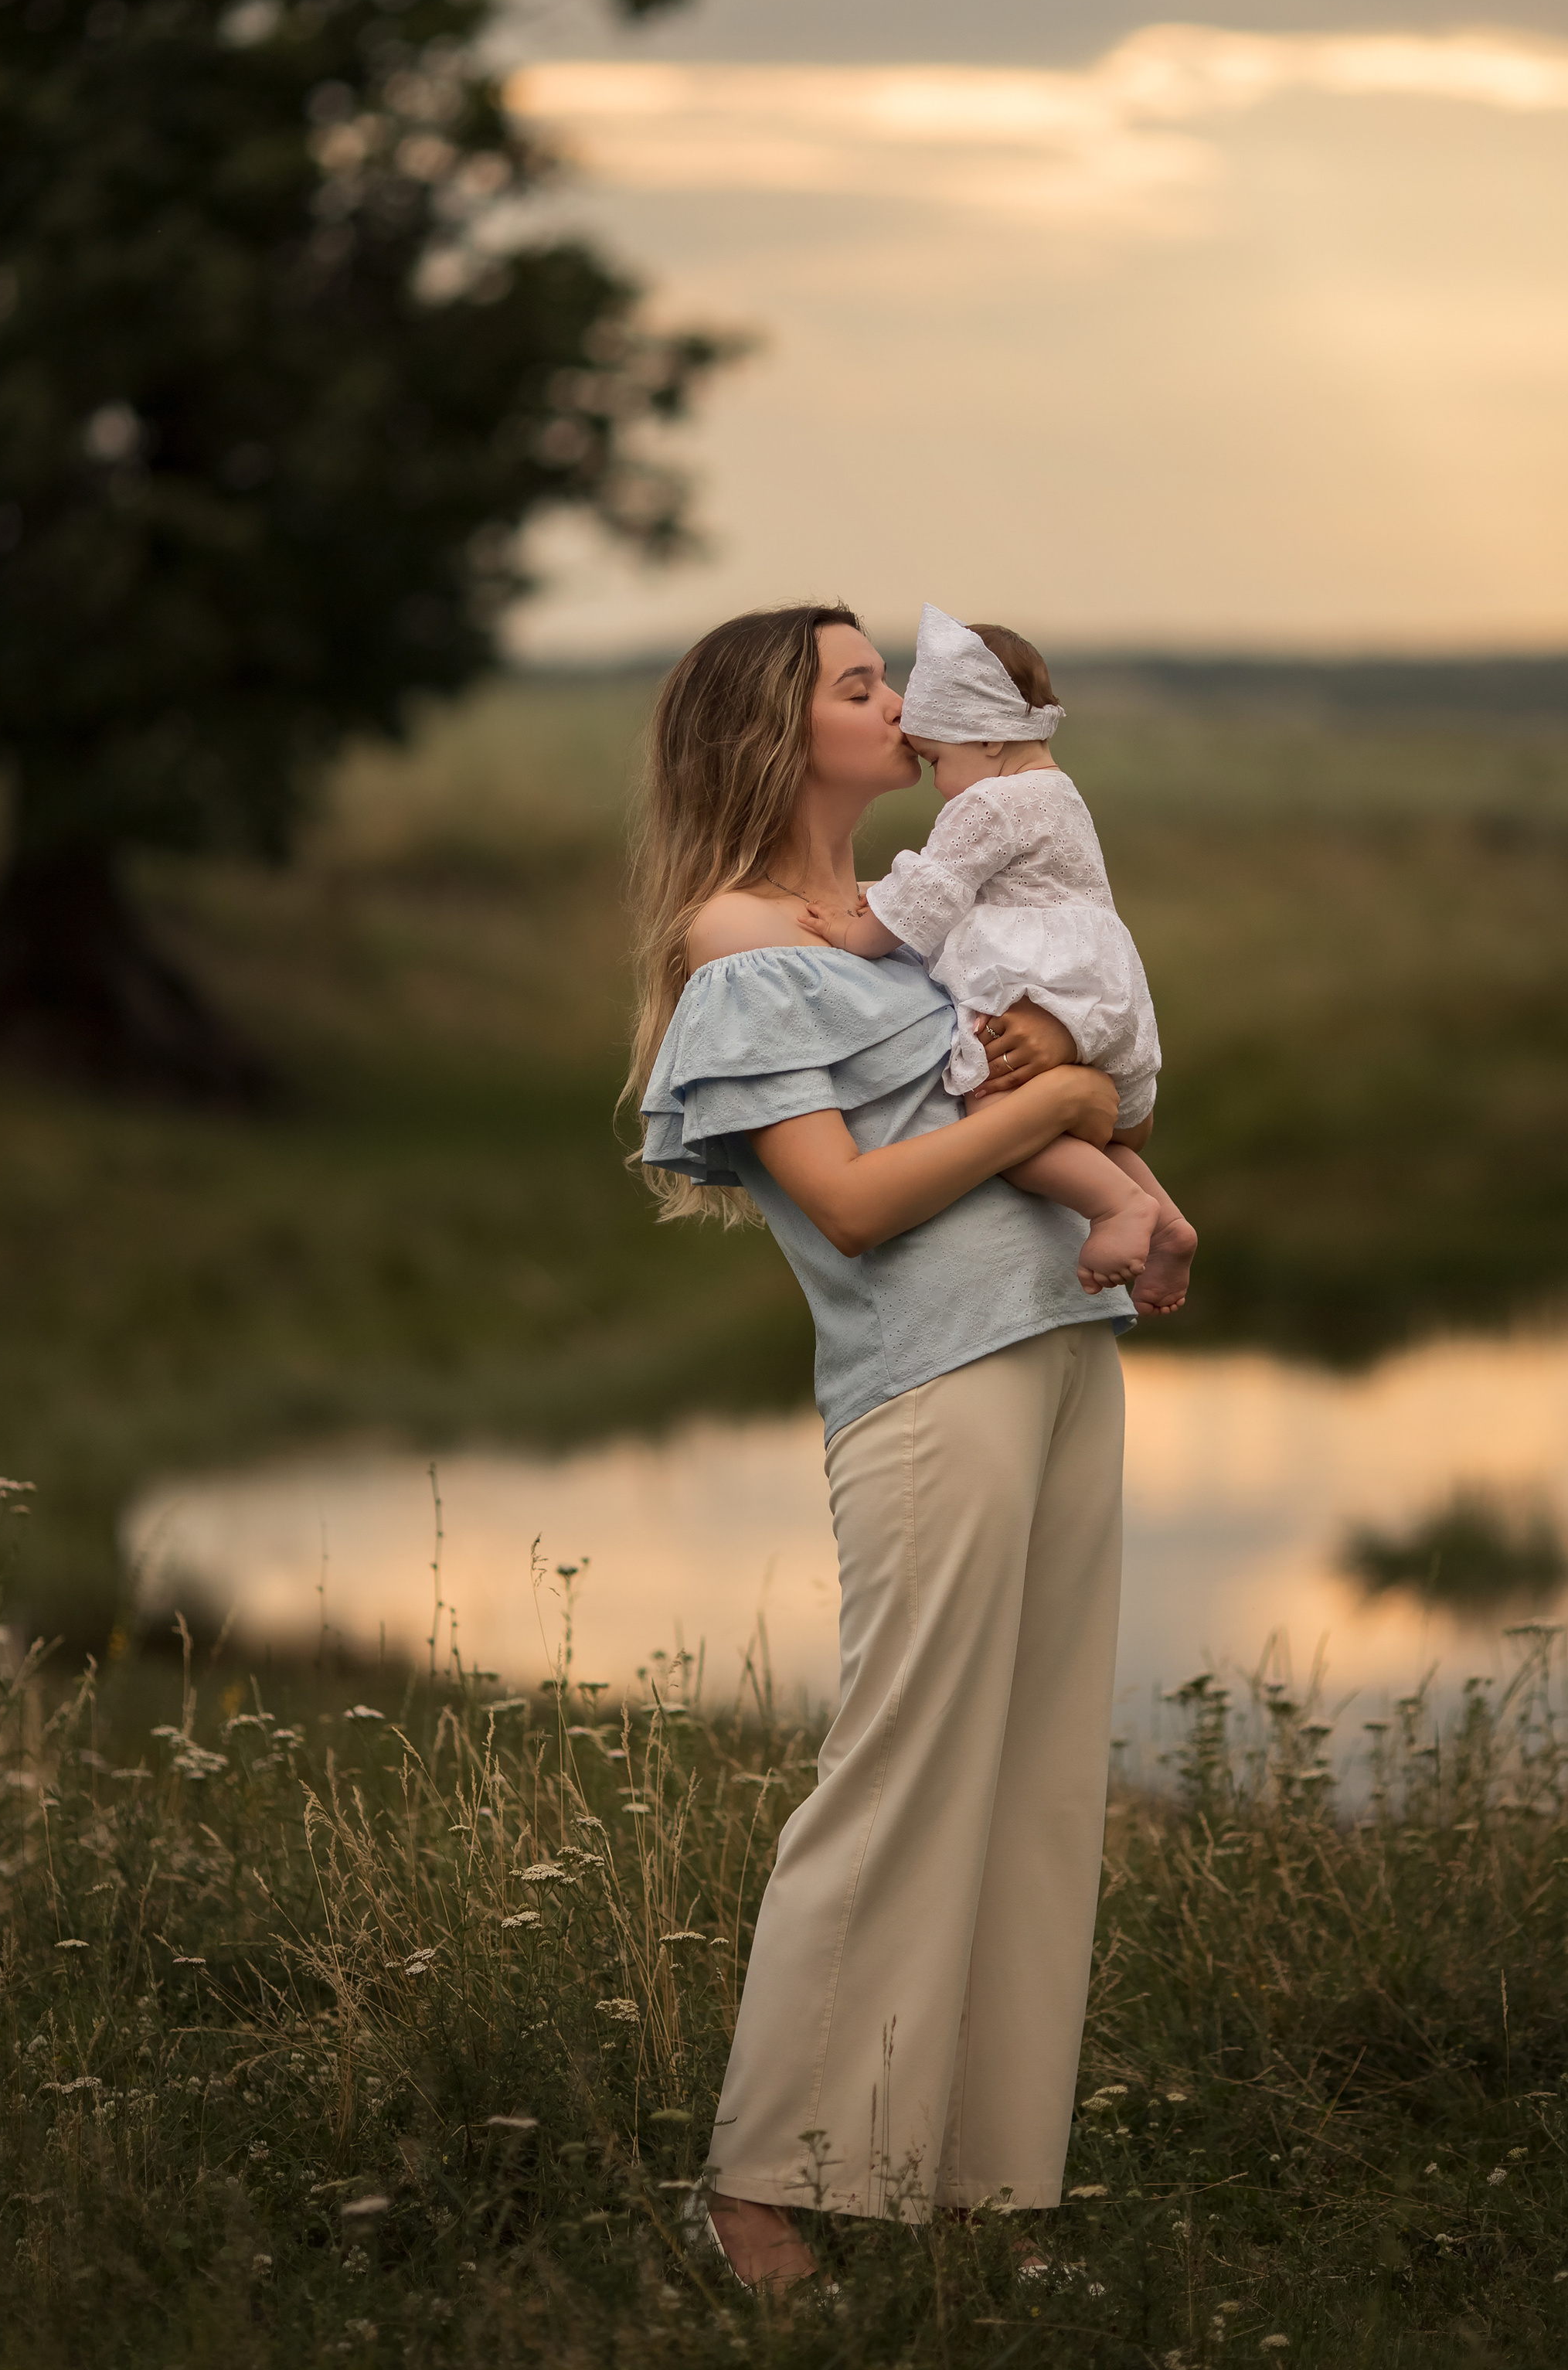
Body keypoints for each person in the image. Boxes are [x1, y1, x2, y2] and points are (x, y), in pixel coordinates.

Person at [626, 603, 1135, 2290]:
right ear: (776, 734)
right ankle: (757, 2189)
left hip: (1059, 1343)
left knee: (1035, 1781)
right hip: (935, 1384)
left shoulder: (915, 921)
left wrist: (1105, 1147)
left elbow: (1034, 1088)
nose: (902, 706)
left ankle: (978, 2185)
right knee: (905, 1774)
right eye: (860, 684)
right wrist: (1056, 1111)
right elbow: (845, 1206)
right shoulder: (740, 938)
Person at [801, 604, 1197, 1316]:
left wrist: (851, 933)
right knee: (1069, 1127)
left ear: (986, 736)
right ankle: (1165, 1220)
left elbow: (930, 892)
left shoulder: (988, 804)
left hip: (1040, 986)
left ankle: (1117, 1211)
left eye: (937, 760)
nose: (938, 783)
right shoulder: (1059, 791)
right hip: (1102, 991)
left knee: (998, 1116)